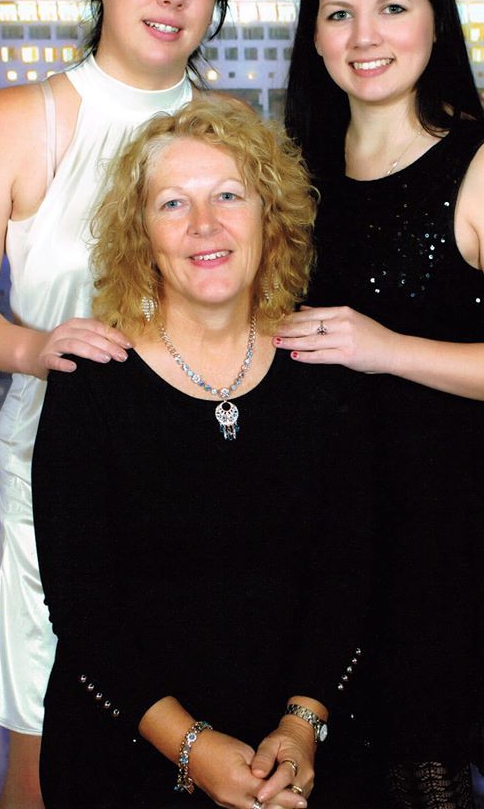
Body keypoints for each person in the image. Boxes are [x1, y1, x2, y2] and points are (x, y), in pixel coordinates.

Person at [0, 0, 238, 807]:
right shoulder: (19, 120)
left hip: (208, 478)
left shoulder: (234, 131)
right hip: (59, 473)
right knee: (49, 752)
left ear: (217, 0)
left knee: (205, 741)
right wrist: (34, 349)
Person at [278, 0, 484, 808]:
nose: (364, 38)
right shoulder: (294, 167)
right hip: (313, 515)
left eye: (392, 9)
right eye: (339, 14)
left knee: (420, 771)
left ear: (436, 21)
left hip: (434, 523)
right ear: (314, 36)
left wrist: (387, 349)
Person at [31, 97, 373, 808]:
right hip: (125, 754)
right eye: (173, 204)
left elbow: (347, 578)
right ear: (139, 235)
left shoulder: (327, 373)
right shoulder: (90, 383)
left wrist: (301, 726)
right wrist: (194, 748)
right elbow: (83, 608)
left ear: (270, 218)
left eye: (228, 196)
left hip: (298, 755)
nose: (204, 225)